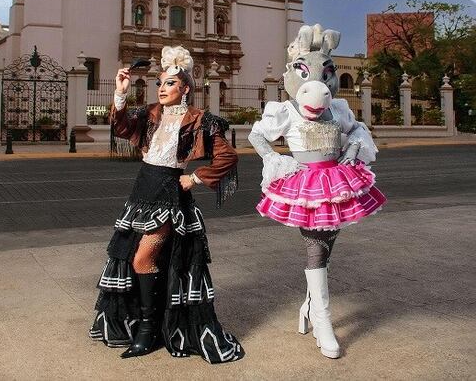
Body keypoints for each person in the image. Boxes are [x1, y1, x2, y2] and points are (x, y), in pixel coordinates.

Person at [89, 46, 241, 364]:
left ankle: (148, 331)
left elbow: (227, 156)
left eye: (170, 83)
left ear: (185, 88)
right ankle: (152, 326)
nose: (161, 88)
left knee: (143, 258)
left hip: (169, 197)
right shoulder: (150, 114)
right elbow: (120, 127)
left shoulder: (199, 120)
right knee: (132, 257)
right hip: (142, 191)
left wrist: (195, 178)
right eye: (160, 83)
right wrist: (120, 93)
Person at [249, 24, 386, 360]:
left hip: (338, 183)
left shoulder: (337, 109)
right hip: (305, 185)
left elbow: (357, 130)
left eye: (327, 74)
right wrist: (275, 160)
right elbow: (257, 135)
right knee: (316, 249)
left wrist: (353, 148)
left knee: (327, 247)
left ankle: (309, 306)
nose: (320, 85)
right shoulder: (286, 111)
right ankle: (323, 321)